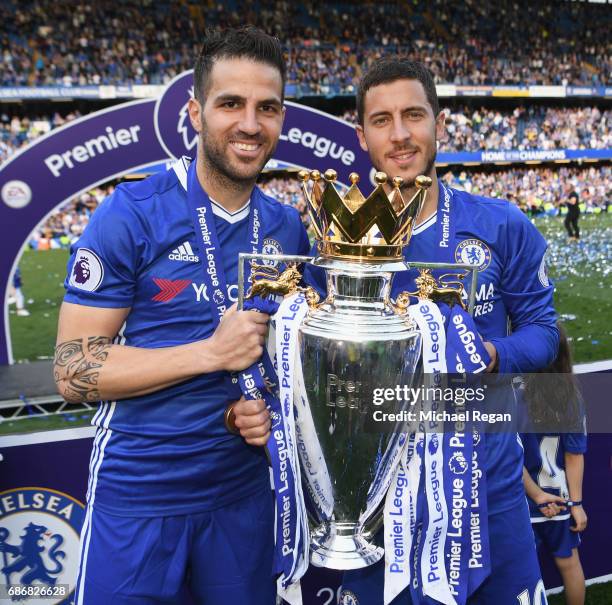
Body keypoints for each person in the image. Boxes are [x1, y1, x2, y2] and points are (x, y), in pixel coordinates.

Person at [53, 26, 310, 605]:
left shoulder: (286, 228)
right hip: (140, 494)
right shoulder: (131, 213)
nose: (250, 123)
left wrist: (267, 405)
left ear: (281, 117)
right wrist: (210, 354)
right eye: (230, 104)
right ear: (196, 112)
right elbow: (71, 371)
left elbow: (285, 358)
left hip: (243, 494)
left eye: (266, 108)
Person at [327, 57, 560, 604]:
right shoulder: (334, 244)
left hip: (488, 490)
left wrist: (491, 354)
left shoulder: (502, 225)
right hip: (377, 504)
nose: (401, 134)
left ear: (440, 124)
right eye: (382, 120)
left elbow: (544, 332)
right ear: (361, 135)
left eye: (414, 115)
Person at [520, 325, 587, 605]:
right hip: (559, 499)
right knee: (569, 564)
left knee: (522, 574)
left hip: (521, 498)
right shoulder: (572, 398)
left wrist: (534, 493)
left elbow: (510, 454)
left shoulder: (514, 395)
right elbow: (574, 457)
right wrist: (576, 504)